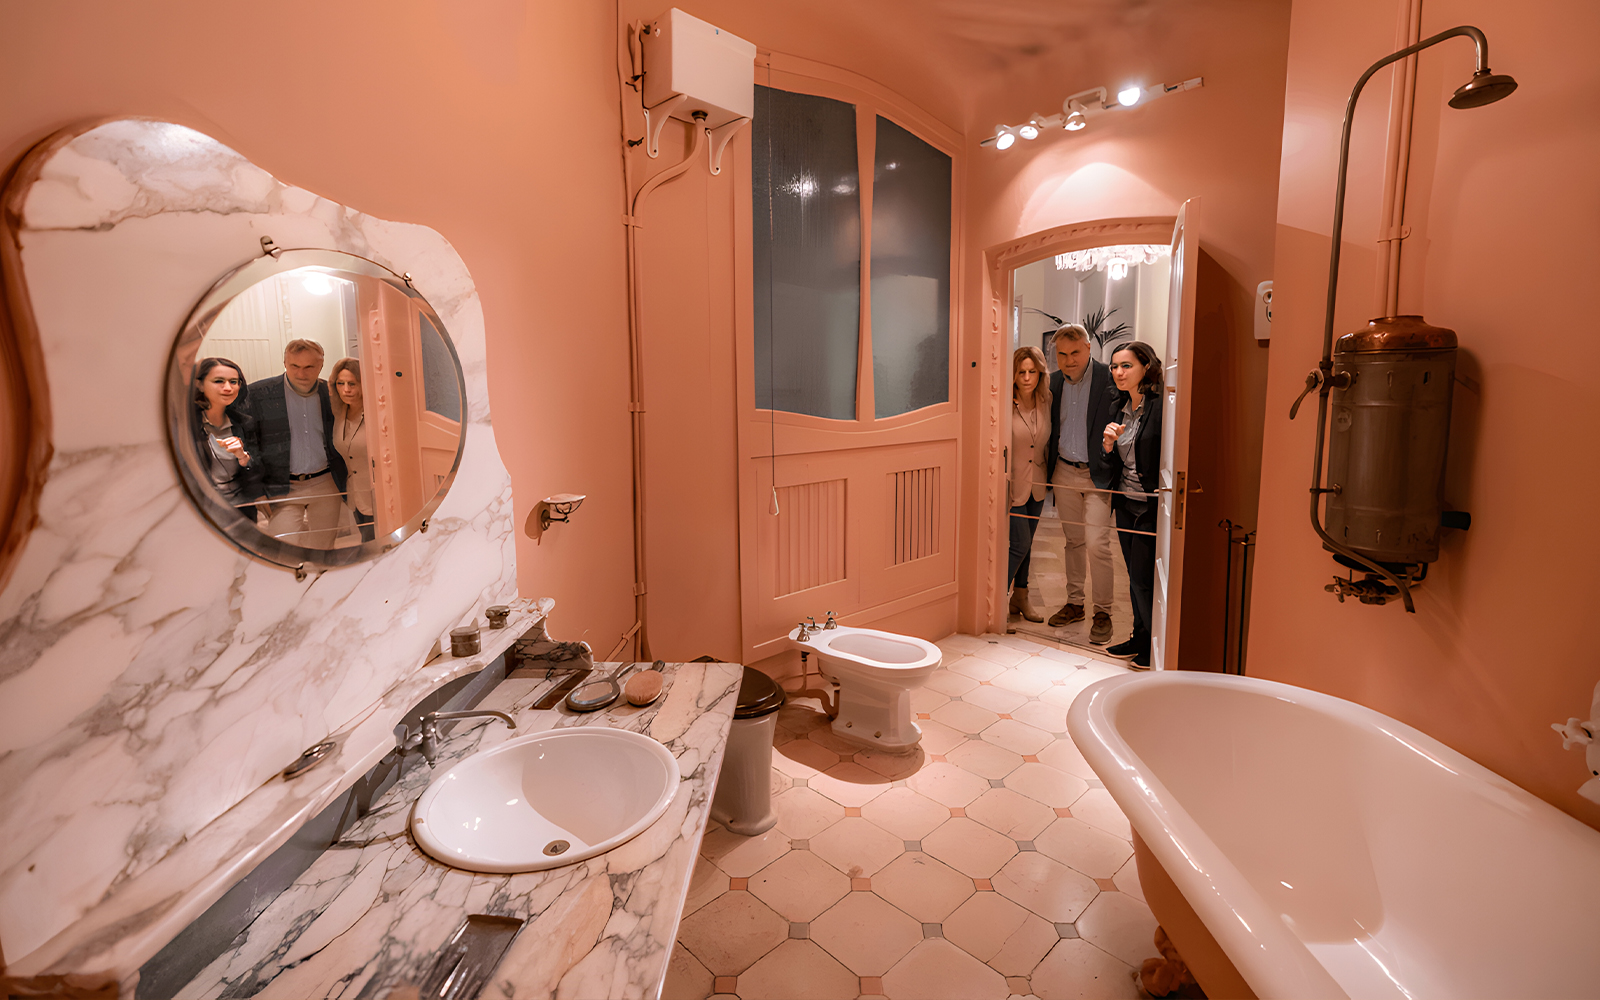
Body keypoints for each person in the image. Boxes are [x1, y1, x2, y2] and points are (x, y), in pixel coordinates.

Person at [1045, 324, 1121, 643]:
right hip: (1064, 470)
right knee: (1073, 540)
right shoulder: (1054, 382)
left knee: (1096, 543)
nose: (1069, 360)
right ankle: (1075, 603)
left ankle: (1102, 610)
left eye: (1075, 352)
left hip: (1097, 475)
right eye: (1062, 354)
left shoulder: (1108, 379)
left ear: (1088, 348)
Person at [248, 339, 348, 548]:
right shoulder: (258, 394)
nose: (302, 374)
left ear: (321, 365)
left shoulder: (332, 393)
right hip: (282, 486)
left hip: (325, 483)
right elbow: (250, 444)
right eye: (295, 366)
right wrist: (255, 488)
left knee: (324, 548)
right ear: (285, 363)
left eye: (309, 367)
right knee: (285, 549)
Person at [1101, 341, 1164, 669]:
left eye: (1126, 365)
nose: (1118, 372)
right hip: (1125, 503)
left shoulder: (1160, 407)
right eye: (1114, 366)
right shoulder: (1118, 406)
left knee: (1142, 578)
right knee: (1133, 575)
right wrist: (1108, 445)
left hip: (1151, 505)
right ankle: (1139, 636)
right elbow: (1109, 463)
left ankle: (1154, 644)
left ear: (1146, 368)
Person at [1007, 346, 1052, 624]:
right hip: (1011, 483)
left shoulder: (1045, 400)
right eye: (1021, 372)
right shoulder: (1003, 402)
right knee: (1019, 543)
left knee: (1029, 542)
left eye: (1032, 371)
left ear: (1040, 373)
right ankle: (997, 599)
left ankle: (1020, 598)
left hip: (1037, 483)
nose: (1026, 378)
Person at [191, 357, 262, 510]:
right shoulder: (187, 425)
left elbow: (258, 472)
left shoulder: (244, 423)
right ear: (200, 385)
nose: (228, 388)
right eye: (219, 381)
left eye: (234, 382)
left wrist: (243, 457)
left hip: (242, 508)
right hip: (202, 509)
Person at [330, 357, 376, 543]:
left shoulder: (376, 413)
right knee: (367, 543)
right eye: (341, 383)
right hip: (356, 494)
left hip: (380, 494)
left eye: (352, 384)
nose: (346, 390)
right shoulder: (339, 412)